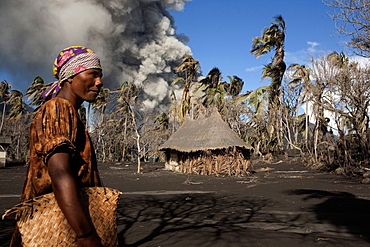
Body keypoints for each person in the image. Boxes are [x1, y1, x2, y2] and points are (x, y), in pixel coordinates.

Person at [11, 46, 104, 247]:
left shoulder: (68, 111)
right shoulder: (58, 108)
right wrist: (85, 234)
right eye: (92, 74)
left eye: (100, 76)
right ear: (71, 77)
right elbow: (60, 172)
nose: (99, 82)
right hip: (61, 226)